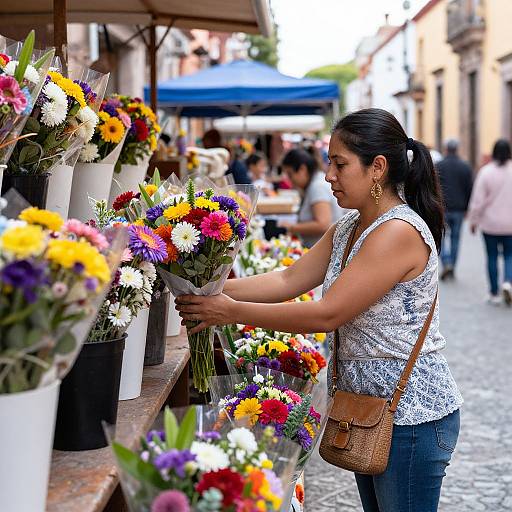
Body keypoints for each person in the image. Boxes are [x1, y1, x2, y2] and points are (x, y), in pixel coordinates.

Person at [176, 108, 462, 512]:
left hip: (410, 416)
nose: (328, 174)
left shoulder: (398, 231)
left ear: (377, 167)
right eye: (330, 161)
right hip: (370, 411)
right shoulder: (349, 227)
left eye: (340, 163)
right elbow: (287, 280)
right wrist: (198, 287)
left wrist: (229, 310)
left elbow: (327, 313)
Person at [468, 139, 512, 306]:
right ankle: (508, 282)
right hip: (510, 225)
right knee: (510, 255)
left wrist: (473, 220)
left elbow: (477, 200)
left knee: (492, 256)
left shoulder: (486, 172)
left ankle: (494, 293)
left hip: (490, 224)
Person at [278, 148, 346, 247]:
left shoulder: (317, 187)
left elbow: (322, 224)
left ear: (302, 169)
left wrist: (291, 228)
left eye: (290, 174)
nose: (290, 180)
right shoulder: (314, 184)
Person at [437, 139, 473, 280]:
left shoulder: (439, 166)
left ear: (446, 149)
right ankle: (452, 264)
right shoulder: (465, 167)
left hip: (443, 208)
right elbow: (469, 189)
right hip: (459, 208)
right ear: (457, 149)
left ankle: (446, 262)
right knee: (456, 238)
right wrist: (467, 208)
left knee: (440, 237)